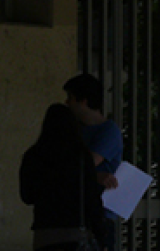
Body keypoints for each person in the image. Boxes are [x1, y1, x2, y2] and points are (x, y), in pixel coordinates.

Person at [19, 103, 103, 250]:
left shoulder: (33, 156)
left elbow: (27, 196)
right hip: (77, 235)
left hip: (44, 235)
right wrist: (101, 235)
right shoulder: (81, 157)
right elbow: (92, 199)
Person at [64, 73, 124, 251]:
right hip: (77, 212)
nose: (67, 103)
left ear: (83, 101)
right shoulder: (76, 130)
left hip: (99, 214)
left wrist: (94, 175)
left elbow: (85, 164)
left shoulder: (108, 132)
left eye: (71, 98)